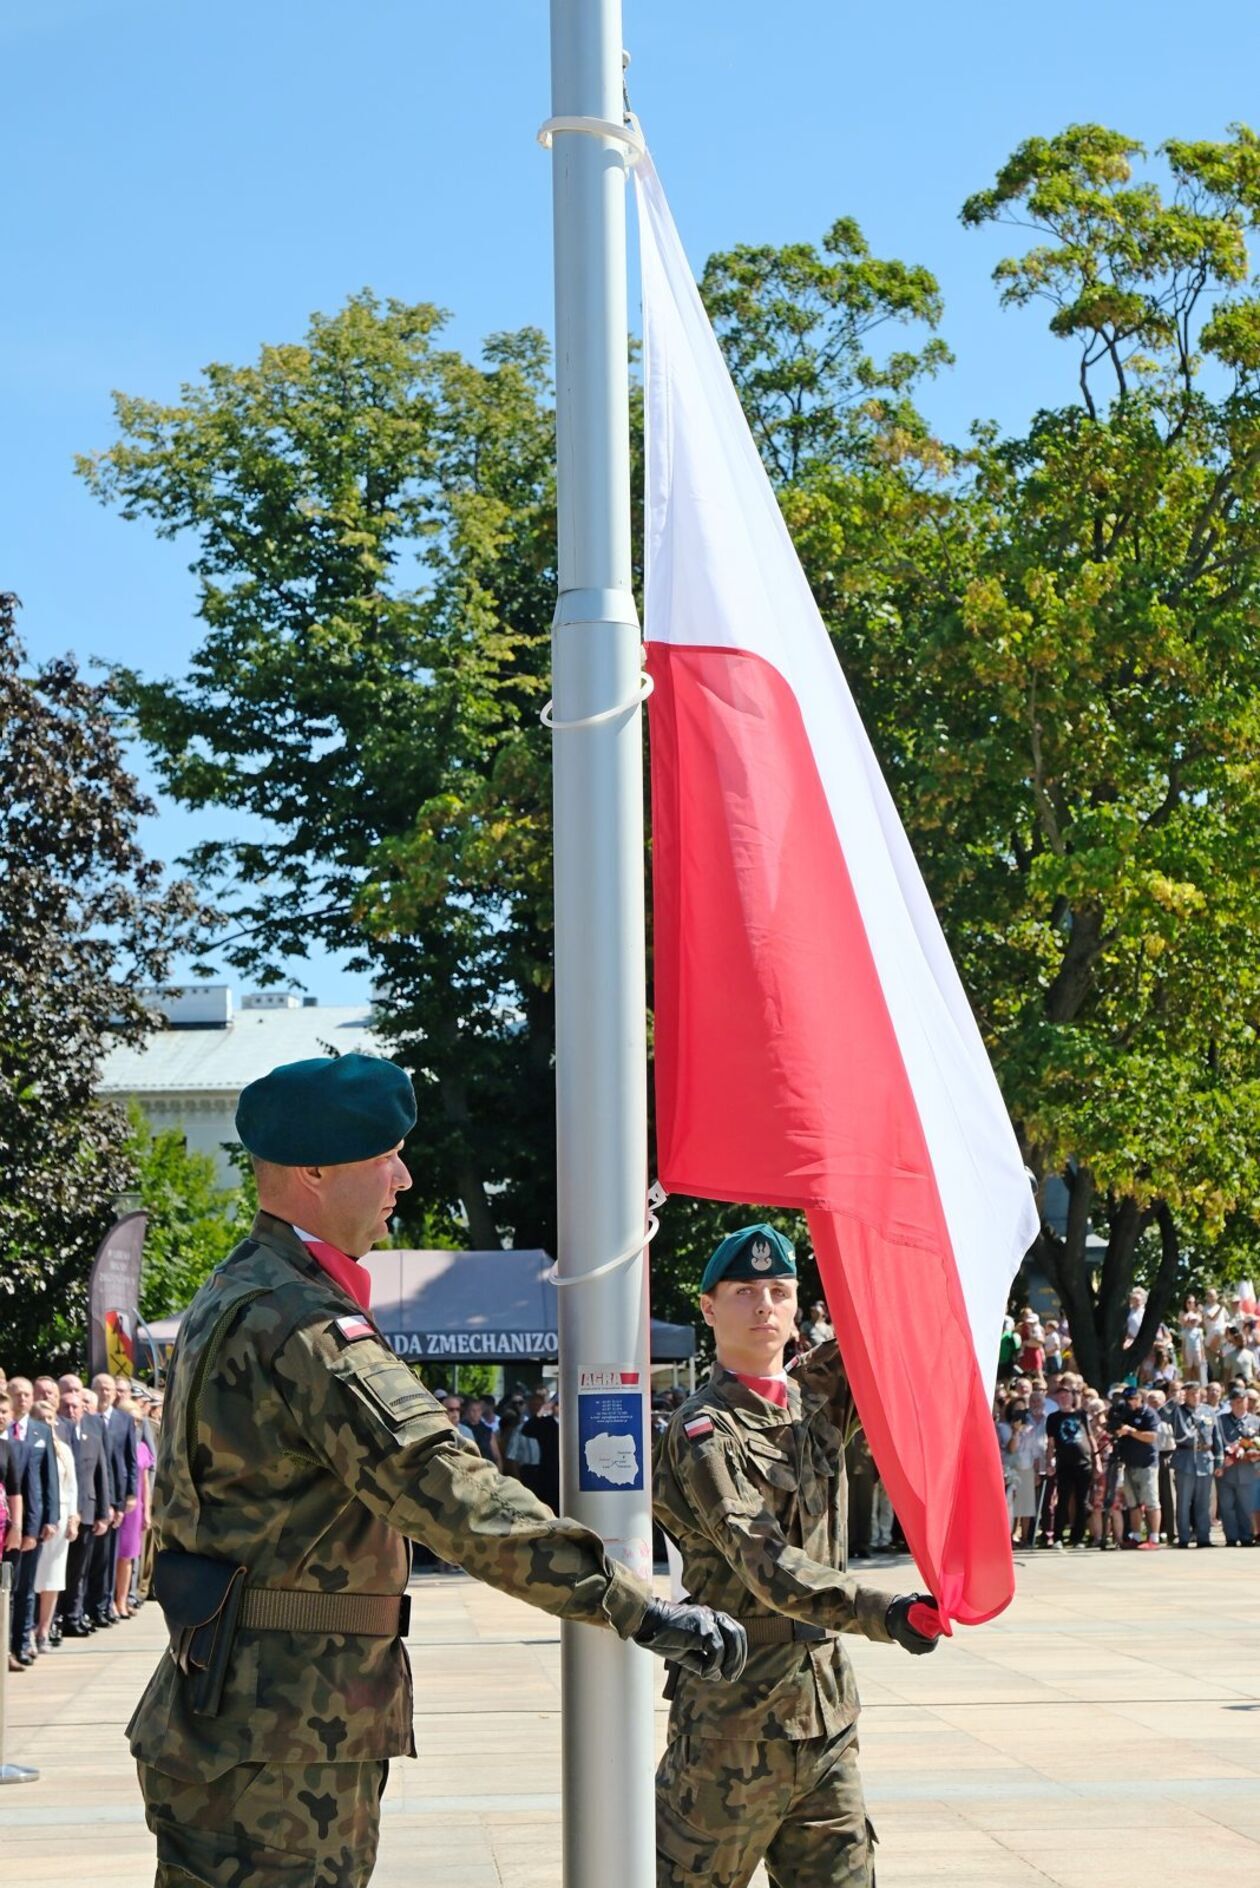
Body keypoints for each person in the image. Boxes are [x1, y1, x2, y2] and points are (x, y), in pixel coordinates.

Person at [131, 1052, 744, 1888]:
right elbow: (452, 1492)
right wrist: (642, 1608)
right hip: (281, 1736)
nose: (406, 1179)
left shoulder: (237, 1289)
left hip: (235, 1716)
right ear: (313, 1170)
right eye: (385, 1155)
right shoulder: (304, 1323)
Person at [652, 1223, 941, 1888]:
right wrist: (883, 1611)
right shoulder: (703, 1431)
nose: (764, 1307)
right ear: (707, 1307)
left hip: (824, 1718)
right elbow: (767, 1564)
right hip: (732, 1730)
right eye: (745, 1291)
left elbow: (893, 1318)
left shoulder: (815, 1398)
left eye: (779, 1291)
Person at [5, 1374, 59, 1666]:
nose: (23, 1398)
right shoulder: (3, 1432)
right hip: (7, 1522)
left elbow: (49, 1477)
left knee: (26, 1588)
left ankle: (22, 1643)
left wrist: (51, 1518)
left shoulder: (40, 1431)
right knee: (8, 1589)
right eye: (17, 1394)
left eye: (27, 1394)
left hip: (33, 1521)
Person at [55, 1374, 110, 1638]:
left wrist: (103, 1511)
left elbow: (102, 1473)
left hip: (87, 1510)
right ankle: (57, 1618)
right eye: (66, 1406)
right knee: (58, 1569)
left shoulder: (94, 1428)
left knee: (80, 1570)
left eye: (76, 1406)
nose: (71, 1411)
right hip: (62, 1513)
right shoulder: (55, 1429)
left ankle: (74, 1616)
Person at [33, 1394, 77, 1651]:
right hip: (38, 1519)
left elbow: (71, 1487)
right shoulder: (31, 1445)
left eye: (50, 1418)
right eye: (41, 1418)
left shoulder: (64, 1451)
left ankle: (44, 1629)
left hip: (60, 1518)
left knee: (53, 1577)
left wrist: (73, 1517)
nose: (46, 1423)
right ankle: (28, 1628)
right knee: (34, 1578)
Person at [1164, 1382, 1221, 1546]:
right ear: (1185, 1394)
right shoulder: (1177, 1411)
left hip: (1205, 1459)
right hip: (1185, 1458)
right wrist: (1174, 1400)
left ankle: (1204, 1537)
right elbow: (1161, 1415)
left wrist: (1219, 1460)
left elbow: (1216, 1437)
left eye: (1197, 1393)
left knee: (1203, 1502)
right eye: (1191, 1393)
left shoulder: (1208, 1411)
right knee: (1184, 1501)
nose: (1195, 1396)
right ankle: (1183, 1537)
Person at [1107, 1383, 1162, 1548]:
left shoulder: (1149, 1414)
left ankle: (1154, 1538)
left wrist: (1130, 1431)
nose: (1130, 1402)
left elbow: (1152, 1437)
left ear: (1140, 1398)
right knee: (1133, 1503)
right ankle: (1136, 1537)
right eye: (1127, 1399)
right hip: (1128, 1463)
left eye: (1133, 1398)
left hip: (1147, 1463)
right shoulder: (1124, 1413)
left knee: (1151, 1502)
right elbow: (1112, 1428)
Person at [1045, 1383, 1093, 1549]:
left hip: (1084, 1463)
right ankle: (1058, 1537)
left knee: (1082, 1501)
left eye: (1066, 1395)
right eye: (1060, 1395)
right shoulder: (1053, 1418)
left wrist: (1097, 1460)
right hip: (1064, 1464)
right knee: (1063, 1500)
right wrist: (1049, 1462)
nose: (1063, 1398)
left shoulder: (1081, 1415)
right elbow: (1050, 1444)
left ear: (1073, 1397)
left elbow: (1090, 1437)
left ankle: (1078, 1537)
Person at [1217, 1386, 1260, 1546]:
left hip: (1248, 1470)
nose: (1240, 1404)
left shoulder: (1256, 1421)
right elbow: (1217, 1443)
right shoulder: (1221, 1421)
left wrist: (1254, 1453)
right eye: (1236, 1401)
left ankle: (1247, 1536)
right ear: (1231, 1403)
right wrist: (1222, 1461)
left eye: (1243, 1401)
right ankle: (1231, 1537)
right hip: (1227, 1470)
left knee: (1246, 1506)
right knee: (1227, 1506)